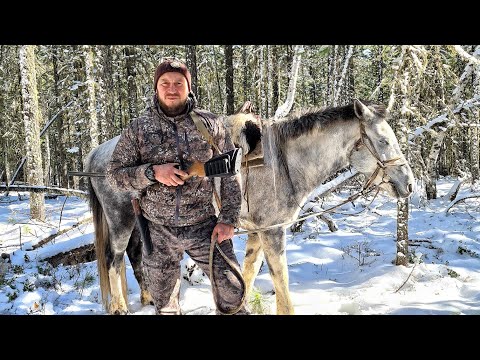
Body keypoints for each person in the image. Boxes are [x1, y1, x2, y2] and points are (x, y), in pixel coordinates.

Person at [106, 58, 248, 315]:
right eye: (165, 83)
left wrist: (228, 218)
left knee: (234, 292)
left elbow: (230, 173)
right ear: (156, 87)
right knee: (165, 305)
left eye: (178, 83)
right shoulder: (139, 128)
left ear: (188, 87)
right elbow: (114, 176)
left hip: (205, 225)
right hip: (157, 231)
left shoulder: (210, 124)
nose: (172, 89)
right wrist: (152, 172)